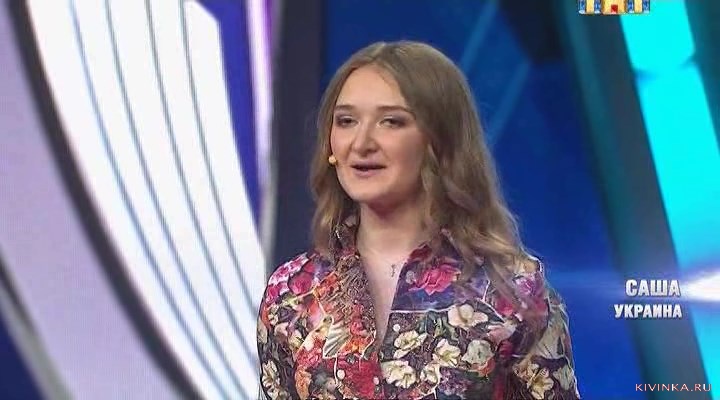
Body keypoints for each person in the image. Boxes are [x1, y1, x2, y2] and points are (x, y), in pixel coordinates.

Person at [257, 40, 580, 400]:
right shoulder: (290, 293)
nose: (361, 143)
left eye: (391, 122)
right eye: (346, 121)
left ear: (439, 141)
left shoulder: (513, 289)